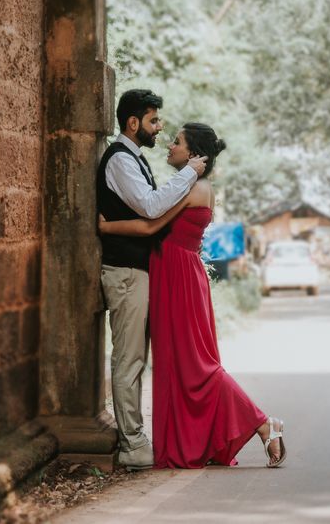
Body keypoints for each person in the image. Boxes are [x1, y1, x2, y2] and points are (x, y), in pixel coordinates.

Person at [99, 122, 286, 470]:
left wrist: (106, 226)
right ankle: (204, 439)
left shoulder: (194, 187)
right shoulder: (199, 186)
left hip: (178, 279)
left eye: (178, 142)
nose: (171, 146)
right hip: (178, 274)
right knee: (181, 367)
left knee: (197, 368)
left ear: (194, 154)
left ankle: (263, 423)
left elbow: (151, 223)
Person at [97, 88, 208, 471]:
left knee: (137, 359)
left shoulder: (134, 159)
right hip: (125, 274)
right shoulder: (120, 160)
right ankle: (133, 444)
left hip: (139, 274)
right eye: (154, 120)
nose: (159, 128)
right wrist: (189, 174)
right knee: (128, 359)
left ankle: (137, 438)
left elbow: (151, 219)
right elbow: (150, 207)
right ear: (133, 122)